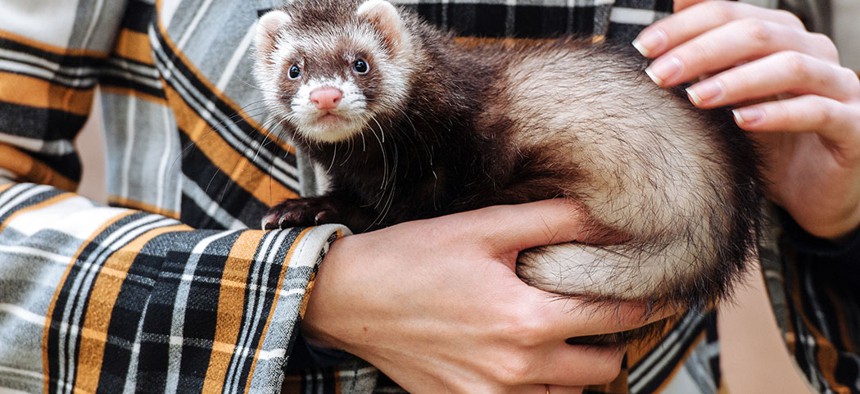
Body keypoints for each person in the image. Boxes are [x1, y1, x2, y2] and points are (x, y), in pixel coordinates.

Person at [0, 1, 856, 393]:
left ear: (394, 48)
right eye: (299, 72)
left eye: (356, 67)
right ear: (272, 67)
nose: (327, 93)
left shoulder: (448, 125)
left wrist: (843, 227)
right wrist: (305, 295)